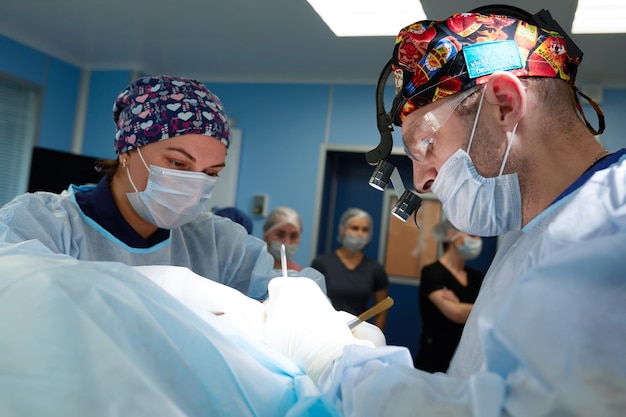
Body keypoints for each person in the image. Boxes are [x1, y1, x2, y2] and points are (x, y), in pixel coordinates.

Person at [252, 6, 626, 416]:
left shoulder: (612, 225)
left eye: (424, 146)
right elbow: (480, 394)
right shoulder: (533, 236)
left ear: (503, 104)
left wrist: (330, 359)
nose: (421, 182)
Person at [0, 75, 324, 299]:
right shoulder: (40, 226)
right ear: (127, 151)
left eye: (210, 173)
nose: (194, 183)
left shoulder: (217, 245)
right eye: (179, 164)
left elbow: (289, 294)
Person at [414, 219, 485, 373]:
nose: (478, 241)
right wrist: (483, 307)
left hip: (467, 358)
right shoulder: (432, 272)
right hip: (434, 359)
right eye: (472, 235)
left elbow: (465, 312)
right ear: (452, 235)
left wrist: (462, 307)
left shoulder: (477, 278)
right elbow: (456, 313)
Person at [312, 208, 390, 330]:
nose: (359, 233)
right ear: (342, 230)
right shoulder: (322, 263)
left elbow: (381, 311)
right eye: (354, 228)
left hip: (358, 333)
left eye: (365, 230)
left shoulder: (375, 269)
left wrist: (375, 340)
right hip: (325, 331)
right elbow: (311, 304)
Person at [262, 206, 303, 271]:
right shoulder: (249, 269)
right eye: (280, 235)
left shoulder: (300, 275)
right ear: (266, 233)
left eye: (293, 236)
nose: (287, 242)